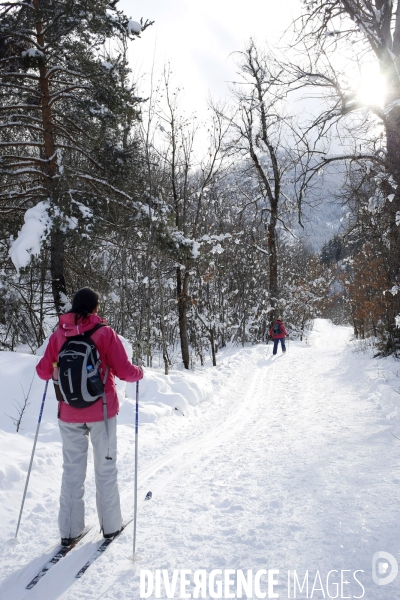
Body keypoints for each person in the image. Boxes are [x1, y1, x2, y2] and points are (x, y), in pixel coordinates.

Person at [36, 287, 143, 546]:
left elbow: (42, 371)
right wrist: (139, 372)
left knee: (72, 471)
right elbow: (125, 371)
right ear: (95, 308)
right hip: (102, 413)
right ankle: (110, 527)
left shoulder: (58, 335)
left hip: (68, 414)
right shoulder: (105, 333)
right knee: (105, 469)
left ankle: (70, 530)